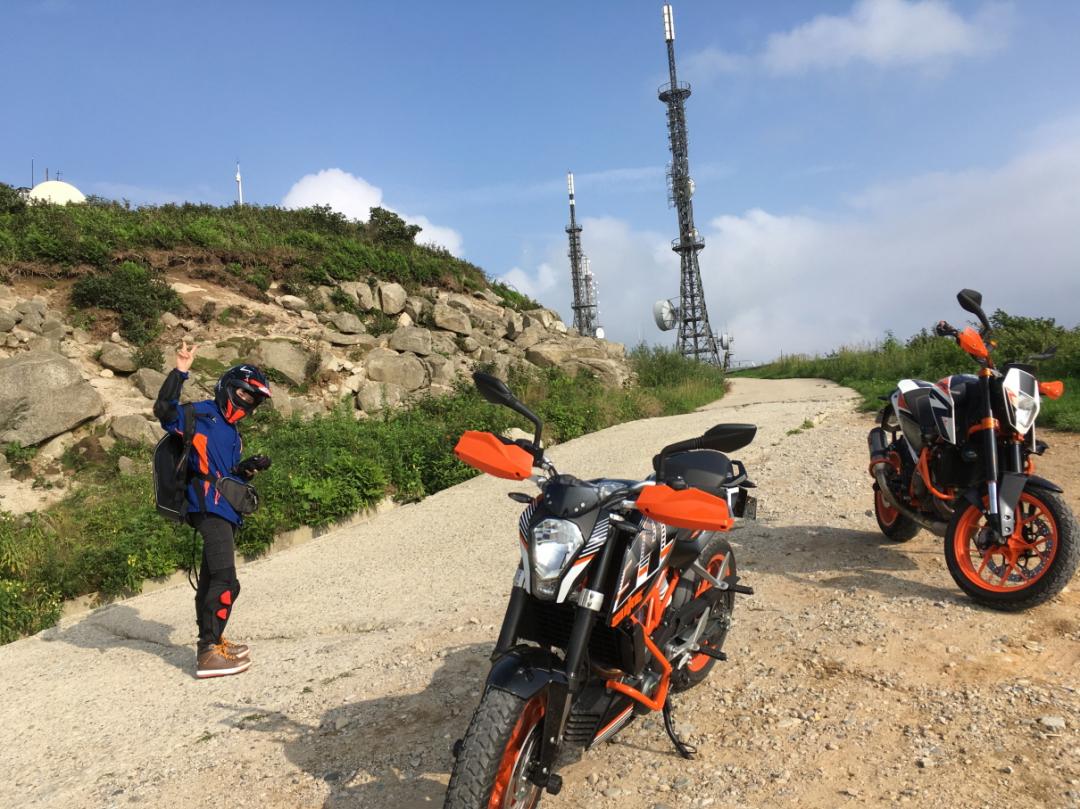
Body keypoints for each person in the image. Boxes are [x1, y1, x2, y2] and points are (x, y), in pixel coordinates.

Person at [153, 340, 273, 678]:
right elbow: (163, 410)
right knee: (226, 580)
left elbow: (226, 474)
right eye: (245, 393)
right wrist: (180, 371)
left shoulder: (233, 433)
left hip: (226, 509)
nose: (247, 402)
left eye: (254, 399)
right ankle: (207, 653)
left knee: (210, 580)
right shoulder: (200, 414)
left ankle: (214, 642)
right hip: (207, 509)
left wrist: (247, 468)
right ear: (229, 387)